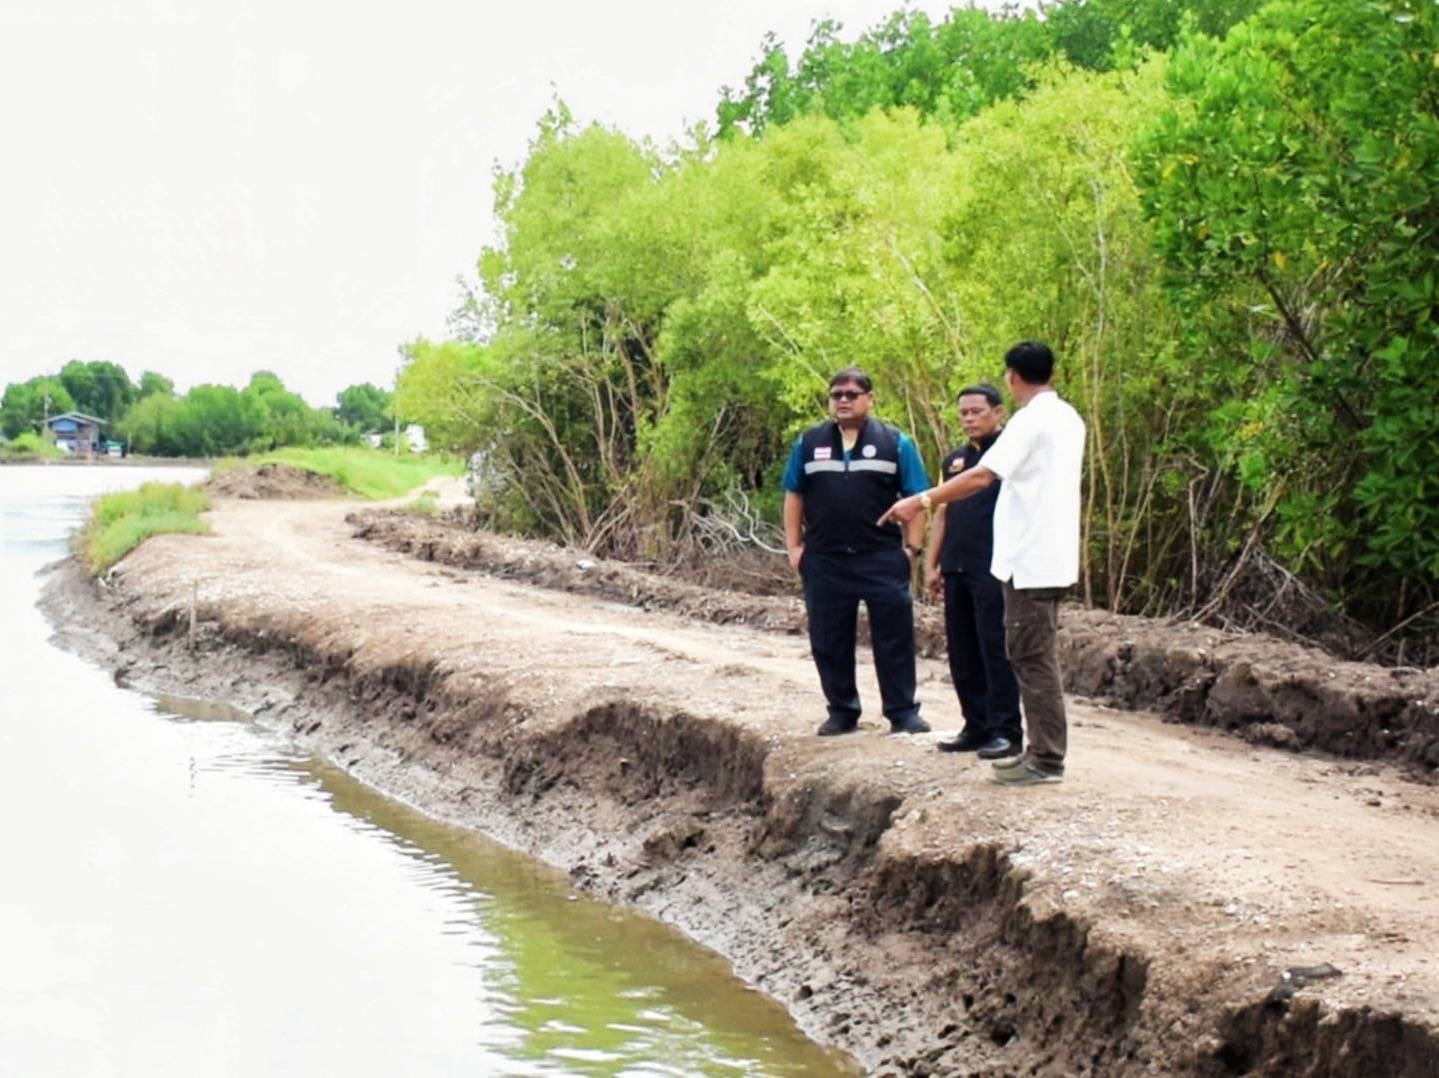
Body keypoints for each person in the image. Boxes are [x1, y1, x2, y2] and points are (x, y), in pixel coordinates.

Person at [880, 342, 1085, 784]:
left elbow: (981, 476)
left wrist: (921, 500)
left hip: (1029, 558)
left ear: (1012, 378)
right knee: (1030, 655)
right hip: (1049, 555)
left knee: (1030, 658)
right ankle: (1031, 748)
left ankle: (1045, 758)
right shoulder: (1069, 417)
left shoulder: (1030, 421)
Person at [782, 367, 932, 737]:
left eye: (852, 394)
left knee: (894, 636)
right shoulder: (808, 442)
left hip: (880, 555)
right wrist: (794, 547)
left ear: (870, 399)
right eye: (837, 395)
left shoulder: (896, 442)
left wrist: (911, 550)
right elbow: (794, 494)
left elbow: (917, 499)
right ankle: (842, 710)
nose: (844, 400)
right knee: (829, 639)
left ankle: (902, 711)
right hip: (825, 558)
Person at [924, 384, 1022, 760]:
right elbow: (943, 511)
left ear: (998, 412)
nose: (968, 419)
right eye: (963, 412)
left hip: (994, 566)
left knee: (994, 648)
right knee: (962, 650)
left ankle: (1006, 730)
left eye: (976, 411)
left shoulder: (1009, 454)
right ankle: (975, 724)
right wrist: (932, 564)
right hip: (956, 565)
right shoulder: (955, 461)